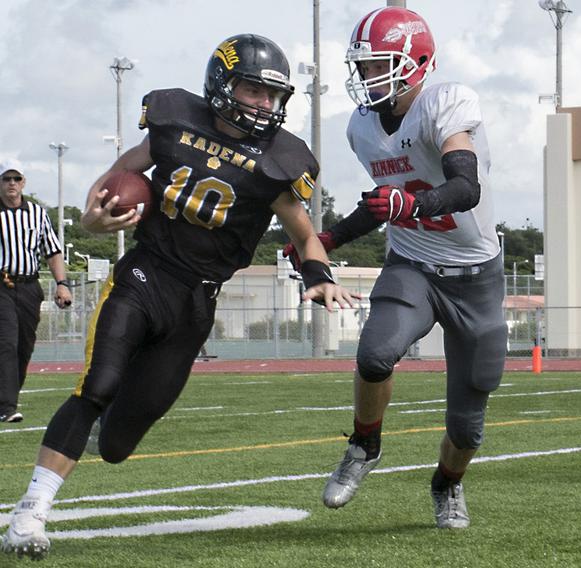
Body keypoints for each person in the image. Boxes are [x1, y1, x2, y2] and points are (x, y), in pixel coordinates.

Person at [2, 34, 356, 560]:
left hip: (198, 302)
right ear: (221, 84)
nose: (264, 104)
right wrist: (92, 218)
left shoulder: (281, 160)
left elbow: (303, 232)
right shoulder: (173, 119)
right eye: (253, 90)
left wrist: (318, 275)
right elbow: (120, 173)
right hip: (144, 273)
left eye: (272, 96)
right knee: (96, 386)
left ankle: (99, 434)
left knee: (119, 445)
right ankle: (29, 512)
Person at [285, 6, 506, 530]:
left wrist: (409, 208)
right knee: (376, 351)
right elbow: (386, 199)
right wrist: (327, 239)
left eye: (378, 64)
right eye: (362, 67)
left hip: (476, 277)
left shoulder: (447, 102)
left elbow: (464, 186)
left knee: (469, 424)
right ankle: (364, 445)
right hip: (413, 264)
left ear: (417, 61)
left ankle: (447, 485)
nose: (367, 78)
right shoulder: (362, 127)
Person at [0, 161, 73, 423]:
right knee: (6, 343)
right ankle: (7, 406)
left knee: (23, 348)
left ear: (23, 182)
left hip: (30, 286)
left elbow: (52, 251)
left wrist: (62, 284)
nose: (11, 183)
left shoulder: (37, 214)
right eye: (6, 178)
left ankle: (6, 399)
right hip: (2, 285)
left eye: (15, 178)